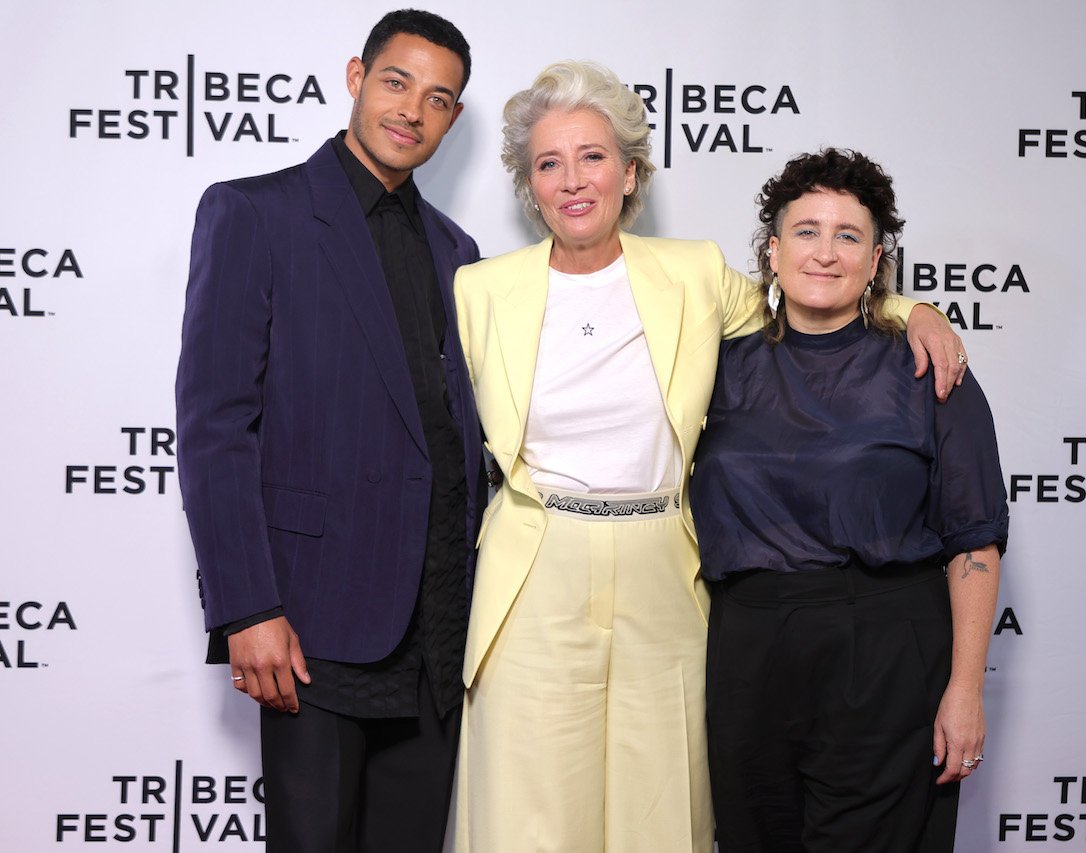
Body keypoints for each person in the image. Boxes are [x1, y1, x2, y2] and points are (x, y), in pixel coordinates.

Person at [450, 62, 967, 853]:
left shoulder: (689, 272)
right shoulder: (478, 289)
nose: (572, 180)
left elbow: (806, 293)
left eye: (592, 157)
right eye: (548, 164)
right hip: (535, 564)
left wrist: (913, 308)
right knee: (532, 811)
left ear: (630, 172)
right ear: (530, 184)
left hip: (663, 563)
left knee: (661, 807)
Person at [175, 10, 484, 852]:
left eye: (438, 99)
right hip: (311, 625)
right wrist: (248, 606)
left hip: (438, 633)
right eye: (396, 82)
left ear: (453, 119)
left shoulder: (460, 252)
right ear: (356, 76)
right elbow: (213, 425)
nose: (412, 111)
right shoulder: (255, 213)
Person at [692, 148, 1008, 852]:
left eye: (848, 236)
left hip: (886, 645)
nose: (825, 253)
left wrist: (965, 690)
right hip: (747, 650)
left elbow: (973, 541)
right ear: (772, 253)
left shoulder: (929, 368)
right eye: (806, 232)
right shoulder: (716, 369)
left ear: (876, 260)